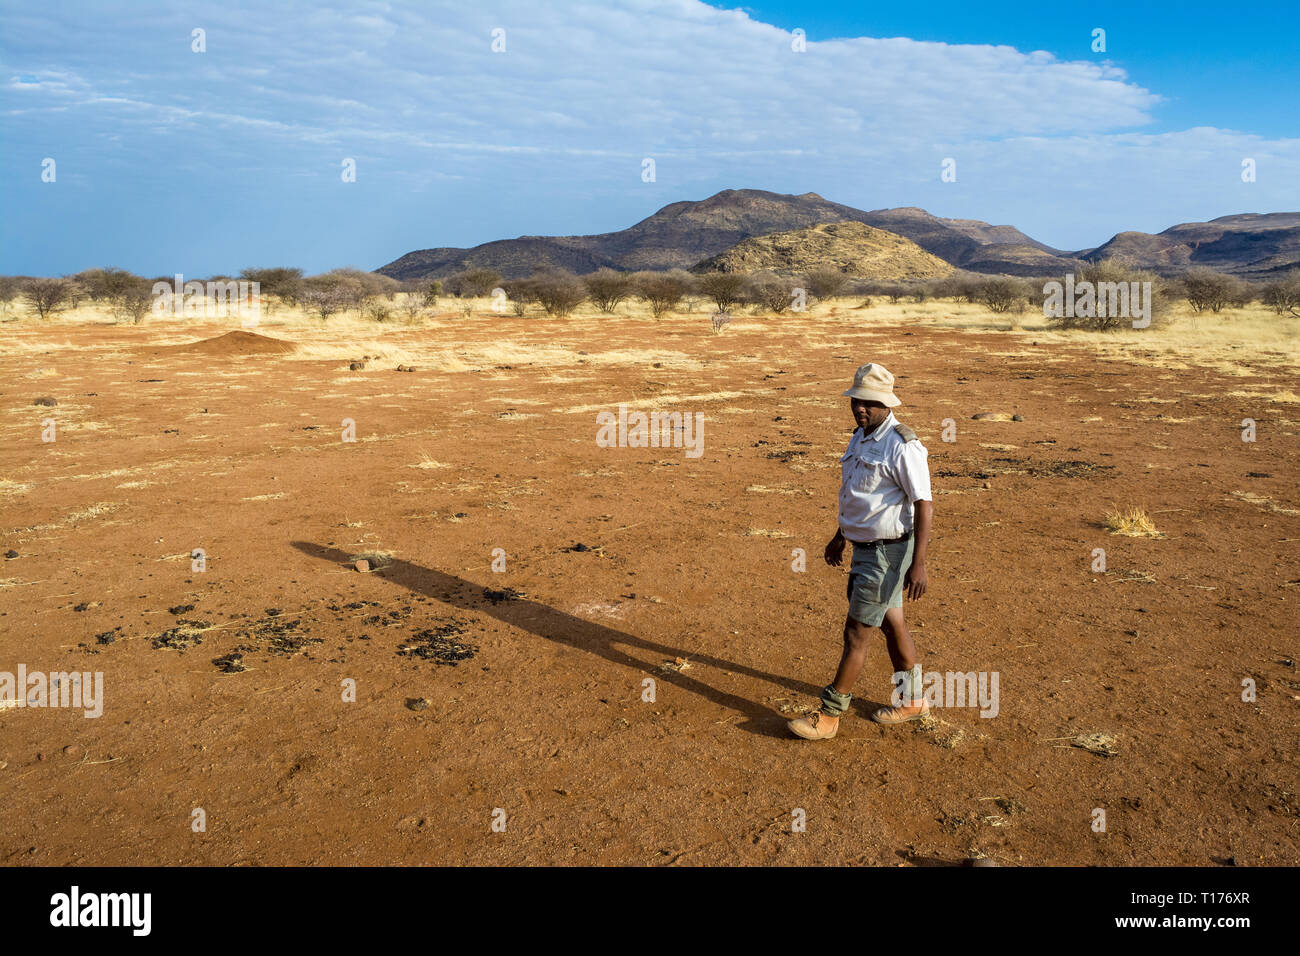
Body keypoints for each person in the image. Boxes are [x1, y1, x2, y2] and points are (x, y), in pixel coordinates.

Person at [788, 363, 933, 741]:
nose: (860, 408)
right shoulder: (861, 436)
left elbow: (924, 504)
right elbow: (861, 495)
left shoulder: (902, 445)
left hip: (888, 554)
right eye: (856, 401)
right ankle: (913, 700)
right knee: (891, 622)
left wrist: (919, 564)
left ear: (886, 403)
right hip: (865, 548)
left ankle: (830, 714)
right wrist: (841, 534)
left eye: (868, 402)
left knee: (856, 633)